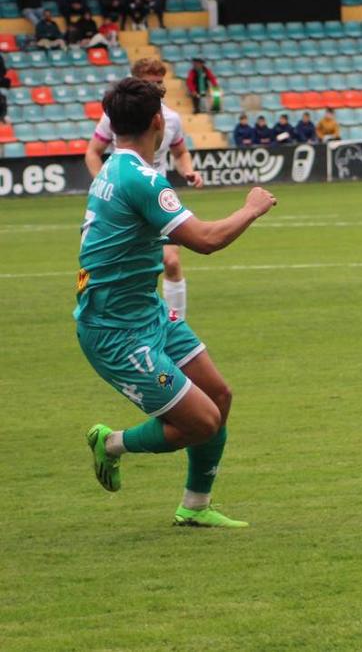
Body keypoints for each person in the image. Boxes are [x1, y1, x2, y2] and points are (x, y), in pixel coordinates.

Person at [79, 77, 277, 528]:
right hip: (115, 330)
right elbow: (205, 241)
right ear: (157, 123)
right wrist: (252, 207)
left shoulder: (112, 168)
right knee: (202, 422)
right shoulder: (141, 179)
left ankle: (195, 506)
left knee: (220, 397)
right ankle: (111, 443)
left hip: (142, 310)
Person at [87, 58, 203, 321]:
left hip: (157, 196)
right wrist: (102, 183)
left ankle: (176, 323)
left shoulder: (171, 118)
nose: (158, 87)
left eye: (160, 82)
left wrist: (188, 170)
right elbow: (93, 153)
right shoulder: (116, 115)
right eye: (150, 83)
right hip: (128, 196)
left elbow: (181, 152)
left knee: (171, 262)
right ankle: (126, 317)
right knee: (132, 267)